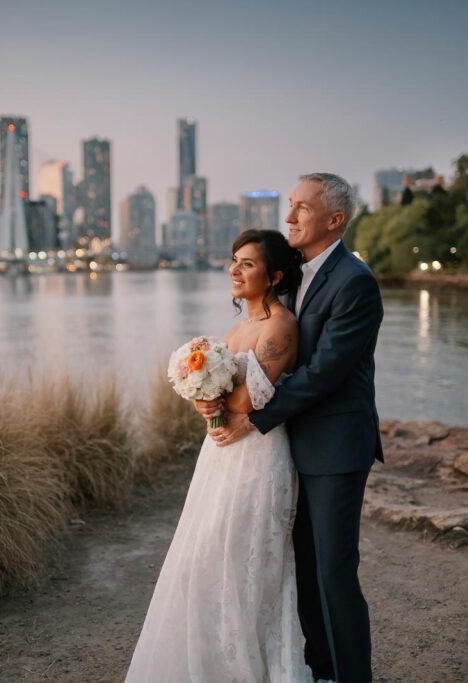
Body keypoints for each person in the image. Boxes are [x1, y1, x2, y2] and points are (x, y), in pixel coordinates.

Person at [205, 173, 384, 683]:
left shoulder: (355, 282)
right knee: (303, 570)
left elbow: (325, 370)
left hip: (334, 447)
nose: (290, 218)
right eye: (290, 206)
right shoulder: (298, 276)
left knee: (333, 573)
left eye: (302, 209)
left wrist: (254, 416)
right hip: (289, 445)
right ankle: (323, 670)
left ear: (335, 220)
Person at [126, 229, 318, 682]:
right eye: (234, 261)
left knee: (247, 562)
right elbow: (219, 393)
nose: (234, 270)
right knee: (206, 556)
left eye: (247, 264)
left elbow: (251, 401)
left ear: (272, 276)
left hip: (260, 457)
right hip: (218, 457)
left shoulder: (281, 326)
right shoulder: (234, 331)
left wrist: (210, 389)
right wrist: (199, 396)